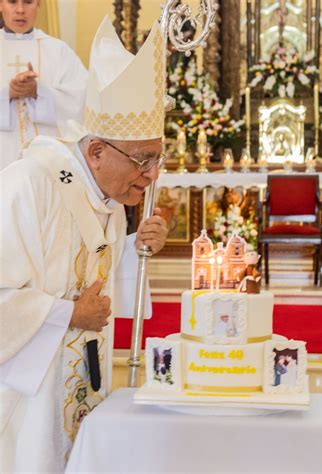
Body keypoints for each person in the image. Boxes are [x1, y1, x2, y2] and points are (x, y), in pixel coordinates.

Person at [0, 17, 169, 473]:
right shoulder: (26, 185)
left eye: (157, 157)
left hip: (80, 383)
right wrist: (69, 314)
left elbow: (95, 276)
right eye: (142, 159)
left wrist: (136, 248)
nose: (152, 174)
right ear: (95, 152)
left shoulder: (107, 201)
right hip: (23, 401)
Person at [0, 0, 88, 169]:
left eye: (28, 2)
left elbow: (82, 98)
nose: (20, 10)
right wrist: (7, 94)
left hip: (47, 158)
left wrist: (39, 92)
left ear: (39, 4)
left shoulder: (58, 50)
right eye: (12, 2)